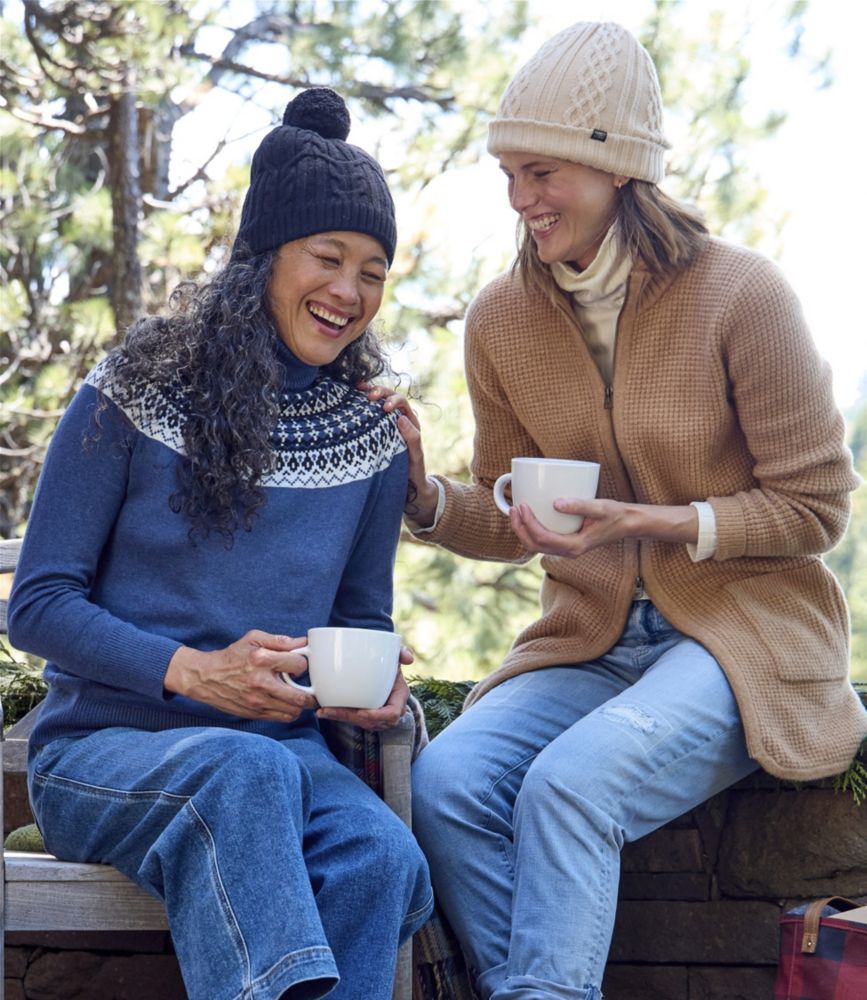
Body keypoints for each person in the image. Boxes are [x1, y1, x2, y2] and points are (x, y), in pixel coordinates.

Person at [369, 21, 867, 1000]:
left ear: (618, 167)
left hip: (740, 638)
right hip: (587, 641)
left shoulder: (742, 295)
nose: (520, 198)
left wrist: (665, 525)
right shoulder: (501, 319)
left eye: (542, 171)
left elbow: (816, 507)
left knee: (570, 785)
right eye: (508, 171)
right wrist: (427, 495)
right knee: (449, 785)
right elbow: (511, 517)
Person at [8, 86, 433, 1000]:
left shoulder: (372, 442)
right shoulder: (131, 391)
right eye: (328, 257)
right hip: (104, 755)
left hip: (284, 762)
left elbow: (358, 624)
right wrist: (195, 674)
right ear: (263, 257)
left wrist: (373, 697)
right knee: (239, 773)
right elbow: (37, 606)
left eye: (372, 270)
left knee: (380, 858)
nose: (349, 292)